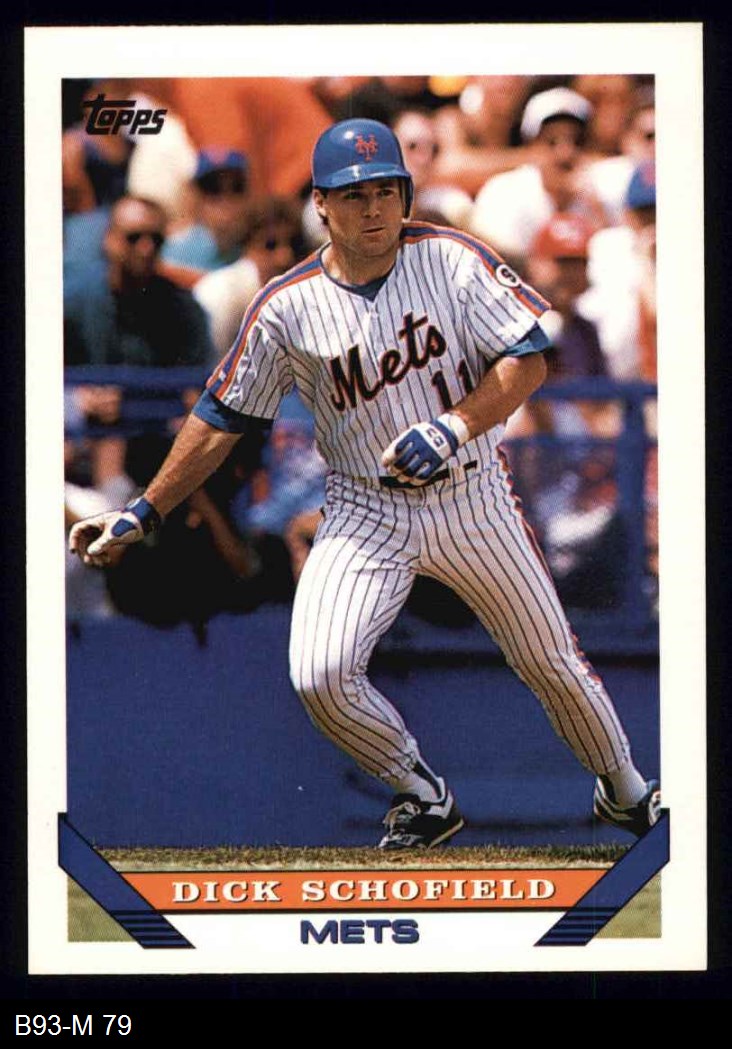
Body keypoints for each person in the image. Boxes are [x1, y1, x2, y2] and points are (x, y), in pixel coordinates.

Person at [69, 118, 660, 849]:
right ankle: (422, 791)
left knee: (548, 661)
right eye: (354, 195)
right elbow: (221, 417)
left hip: (471, 493)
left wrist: (454, 426)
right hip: (364, 508)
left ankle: (625, 790)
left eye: (385, 191)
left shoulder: (449, 258)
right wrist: (143, 510)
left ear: (405, 194)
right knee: (318, 672)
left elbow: (528, 357)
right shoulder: (287, 304)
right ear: (321, 204)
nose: (374, 208)